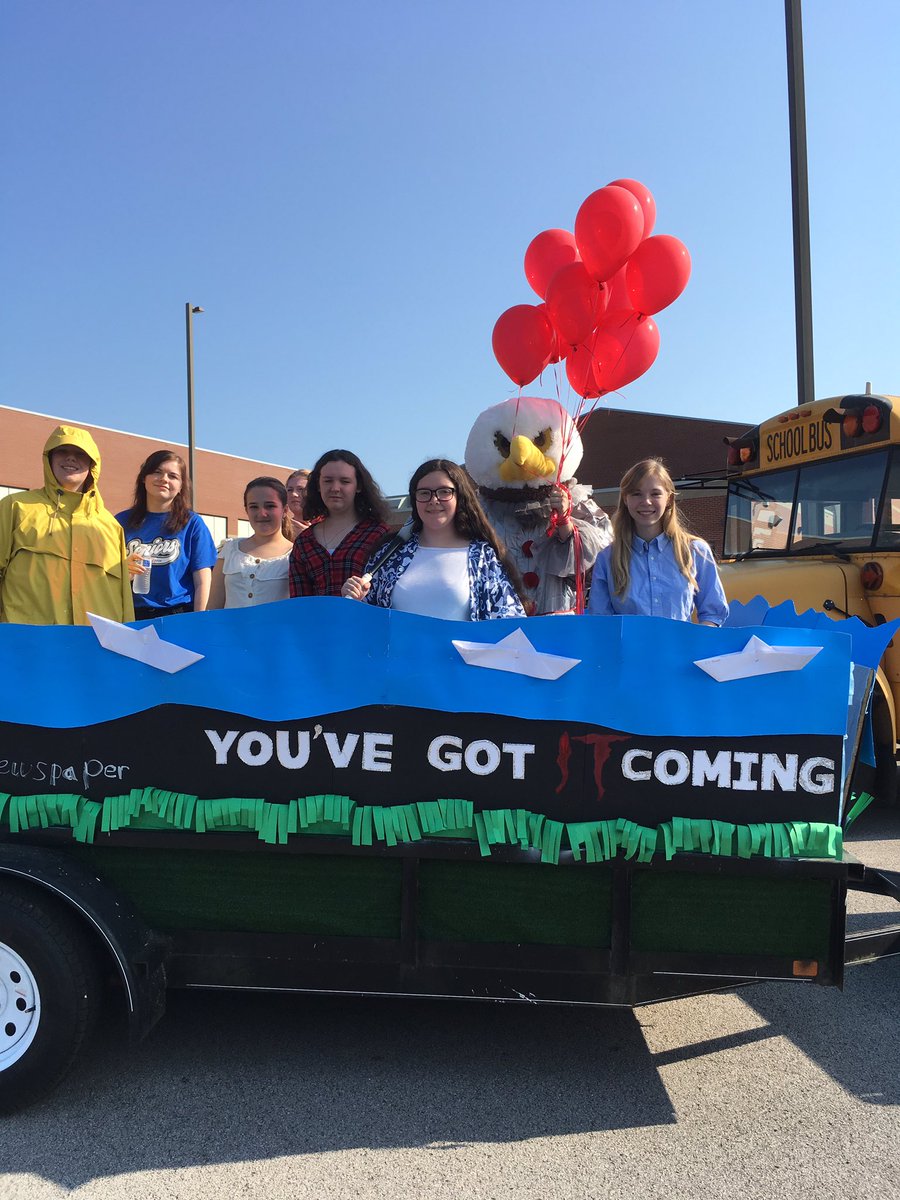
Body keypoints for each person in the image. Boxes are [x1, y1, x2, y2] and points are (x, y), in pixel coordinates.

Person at [342, 459, 525, 620]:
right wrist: (354, 600)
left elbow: (507, 620)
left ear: (459, 497)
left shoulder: (482, 557)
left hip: (457, 659)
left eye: (444, 492)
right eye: (424, 493)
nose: (434, 500)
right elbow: (363, 622)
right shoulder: (390, 554)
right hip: (399, 659)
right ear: (415, 500)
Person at [0, 425, 134, 625]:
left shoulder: (111, 527)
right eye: (62, 451)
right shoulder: (16, 507)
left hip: (94, 646)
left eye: (80, 453)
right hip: (27, 644)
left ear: (92, 465)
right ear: (49, 459)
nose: (71, 458)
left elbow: (124, 599)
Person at [588, 458, 728, 625]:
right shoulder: (607, 559)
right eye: (636, 493)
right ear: (626, 499)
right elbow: (600, 623)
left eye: (655, 493)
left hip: (682, 650)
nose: (646, 501)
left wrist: (694, 646)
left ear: (668, 498)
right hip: (629, 651)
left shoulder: (695, 551)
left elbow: (713, 613)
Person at [116, 450, 217, 620]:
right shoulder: (120, 522)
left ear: (181, 487)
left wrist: (199, 622)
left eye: (173, 476)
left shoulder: (192, 523)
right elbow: (106, 576)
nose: (164, 479)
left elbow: (203, 580)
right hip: (131, 616)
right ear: (143, 478)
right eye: (157, 472)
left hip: (178, 616)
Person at [289, 450, 390, 597]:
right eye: (328, 481)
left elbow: (388, 592)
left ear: (359, 486)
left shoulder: (378, 534)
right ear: (318, 485)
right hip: (317, 620)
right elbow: (299, 602)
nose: (335, 488)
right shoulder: (304, 542)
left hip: (364, 619)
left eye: (345, 481)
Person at [208, 477, 294, 608]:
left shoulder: (295, 554)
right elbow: (213, 607)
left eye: (270, 506)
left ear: (285, 510)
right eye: (254, 507)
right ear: (246, 510)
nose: (262, 513)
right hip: (231, 629)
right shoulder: (229, 550)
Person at [286, 468, 312, 537]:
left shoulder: (328, 525)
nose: (294, 494)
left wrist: (309, 536)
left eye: (300, 489)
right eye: (290, 490)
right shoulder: (281, 529)